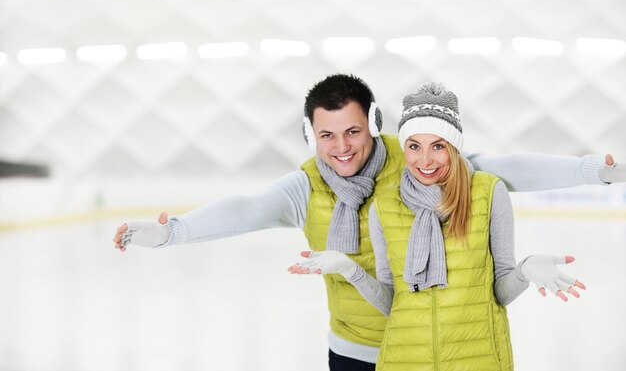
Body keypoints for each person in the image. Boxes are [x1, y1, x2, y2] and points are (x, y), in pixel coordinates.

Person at [113, 74, 622, 371]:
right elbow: (245, 208)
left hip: (432, 350)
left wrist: (591, 172)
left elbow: (500, 169)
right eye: (327, 135)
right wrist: (172, 232)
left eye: (353, 131)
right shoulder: (304, 188)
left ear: (374, 124)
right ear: (310, 135)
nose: (342, 148)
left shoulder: (417, 158)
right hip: (352, 351)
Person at [288, 82, 586, 370]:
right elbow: (394, 303)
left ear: (454, 146)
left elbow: (500, 294)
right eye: (414, 146)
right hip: (403, 362)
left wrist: (525, 270)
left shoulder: (486, 193)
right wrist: (348, 268)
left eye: (438, 146)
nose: (425, 159)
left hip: (478, 361)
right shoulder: (386, 205)